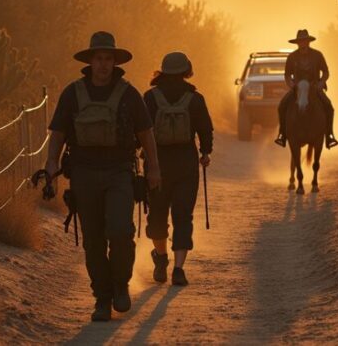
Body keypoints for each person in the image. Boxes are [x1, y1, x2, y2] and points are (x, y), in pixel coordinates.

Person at [43, 31, 162, 322]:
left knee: (120, 232)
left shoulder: (128, 93)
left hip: (119, 172)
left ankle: (120, 284)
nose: (104, 65)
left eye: (108, 59)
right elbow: (58, 133)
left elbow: (146, 134)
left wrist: (153, 168)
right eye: (99, 58)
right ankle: (102, 298)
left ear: (115, 62)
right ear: (90, 61)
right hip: (83, 174)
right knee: (93, 240)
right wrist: (50, 166)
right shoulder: (73, 93)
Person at [143, 52, 214, 286]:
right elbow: (205, 129)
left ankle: (161, 258)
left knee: (157, 214)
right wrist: (205, 152)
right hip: (186, 162)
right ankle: (179, 269)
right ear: (186, 71)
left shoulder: (150, 98)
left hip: (157, 163)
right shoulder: (195, 99)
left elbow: (140, 130)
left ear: (162, 71)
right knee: (183, 215)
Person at [274, 29, 338, 149]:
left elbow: (326, 71)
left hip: (315, 88)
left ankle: (329, 136)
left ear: (308, 42)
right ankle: (282, 135)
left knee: (329, 107)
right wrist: (291, 85)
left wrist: (321, 83)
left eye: (304, 41)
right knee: (282, 106)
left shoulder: (318, 55)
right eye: (300, 42)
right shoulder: (292, 57)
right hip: (298, 89)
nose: (302, 43)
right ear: (297, 43)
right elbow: (287, 75)